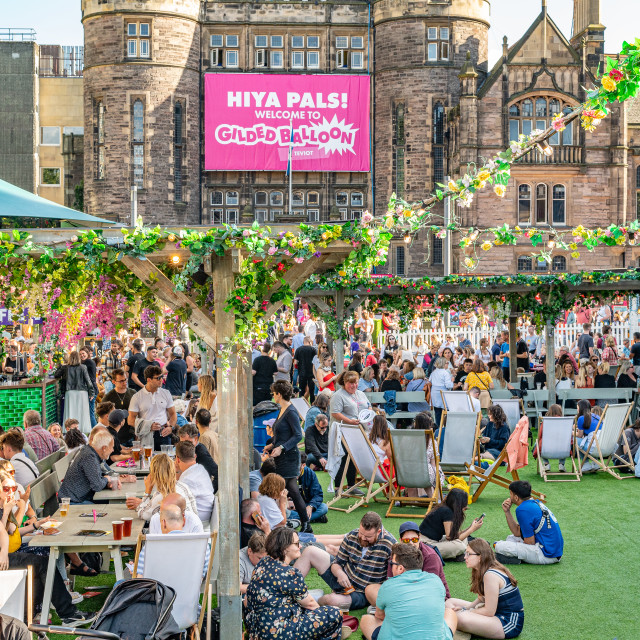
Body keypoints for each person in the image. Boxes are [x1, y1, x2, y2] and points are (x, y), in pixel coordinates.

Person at [245, 527, 343, 640]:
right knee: (334, 613)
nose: (300, 546)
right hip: (278, 633)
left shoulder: (263, 563)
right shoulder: (289, 572)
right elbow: (310, 604)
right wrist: (322, 617)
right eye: (296, 544)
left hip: (256, 630)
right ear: (285, 548)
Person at [294, 511, 396, 611]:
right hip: (342, 578)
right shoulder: (353, 535)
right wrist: (340, 573)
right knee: (310, 551)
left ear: (378, 532)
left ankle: (313, 599)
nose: (363, 538)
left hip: (362, 593)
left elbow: (393, 579)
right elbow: (337, 562)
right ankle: (287, 586)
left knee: (332, 600)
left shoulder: (390, 545)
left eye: (368, 537)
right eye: (361, 533)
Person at [360, 542, 457, 640]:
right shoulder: (436, 580)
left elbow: (380, 616)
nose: (391, 566)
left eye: (392, 563)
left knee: (366, 619)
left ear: (400, 568)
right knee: (449, 612)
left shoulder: (388, 586)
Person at [446, 538, 524, 639]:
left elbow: (489, 611)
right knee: (450, 603)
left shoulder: (490, 574)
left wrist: (467, 612)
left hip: (508, 622)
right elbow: (482, 598)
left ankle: (461, 627)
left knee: (460, 617)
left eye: (469, 554)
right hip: (496, 613)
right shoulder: (483, 569)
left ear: (480, 557)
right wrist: (466, 608)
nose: (465, 557)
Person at [262, 380, 311, 533]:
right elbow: (282, 434)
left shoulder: (290, 411)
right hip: (282, 456)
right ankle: (301, 522)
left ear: (279, 394)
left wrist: (282, 447)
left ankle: (304, 523)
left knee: (292, 490)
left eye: (274, 393)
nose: (272, 396)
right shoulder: (283, 409)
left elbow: (298, 436)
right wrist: (272, 445)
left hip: (289, 458)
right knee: (290, 489)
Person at [364, 521, 450, 608]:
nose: (411, 543)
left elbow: (430, 588)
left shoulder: (430, 556)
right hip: (403, 593)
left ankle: (390, 610)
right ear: (401, 540)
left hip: (429, 597)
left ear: (419, 538)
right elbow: (390, 581)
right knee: (371, 589)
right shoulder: (396, 554)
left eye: (414, 539)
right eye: (406, 540)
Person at [494, 480, 563, 565]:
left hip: (546, 555)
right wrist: (507, 511)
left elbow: (530, 542)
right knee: (510, 539)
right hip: (553, 551)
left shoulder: (523, 509)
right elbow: (517, 532)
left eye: (510, 493)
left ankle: (519, 559)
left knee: (498, 546)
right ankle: (520, 556)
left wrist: (520, 545)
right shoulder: (535, 502)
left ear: (516, 497)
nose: (509, 496)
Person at [58, 430, 133, 503]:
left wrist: (108, 482)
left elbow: (98, 479)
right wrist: (107, 479)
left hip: (80, 497)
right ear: (104, 448)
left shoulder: (91, 453)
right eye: (112, 447)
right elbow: (97, 486)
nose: (113, 450)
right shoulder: (89, 457)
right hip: (73, 501)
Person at [329, 371, 372, 497]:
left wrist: (368, 412)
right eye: (350, 383)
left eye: (356, 383)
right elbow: (335, 413)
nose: (353, 385)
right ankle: (338, 487)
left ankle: (352, 485)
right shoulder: (338, 395)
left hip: (358, 431)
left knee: (354, 458)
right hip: (343, 430)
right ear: (344, 383)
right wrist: (350, 421)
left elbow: (368, 405)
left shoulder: (361, 394)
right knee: (342, 457)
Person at [127, 452, 197, 521]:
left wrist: (147, 491)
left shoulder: (161, 495)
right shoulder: (184, 486)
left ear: (153, 474)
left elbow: (142, 514)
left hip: (177, 531)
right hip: (193, 529)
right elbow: (195, 512)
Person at [418, 488, 484, 560]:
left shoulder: (446, 508)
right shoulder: (447, 512)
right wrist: (472, 529)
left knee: (464, 539)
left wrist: (470, 527)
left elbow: (454, 535)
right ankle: (454, 554)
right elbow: (450, 538)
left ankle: (455, 554)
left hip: (434, 540)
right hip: (426, 544)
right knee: (459, 546)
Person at [128, 364, 177, 451]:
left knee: (165, 461)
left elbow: (173, 414)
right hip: (146, 434)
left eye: (162, 377)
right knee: (147, 461)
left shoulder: (166, 393)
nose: (161, 380)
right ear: (149, 380)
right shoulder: (137, 397)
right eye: (158, 378)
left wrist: (171, 427)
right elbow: (130, 420)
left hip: (163, 433)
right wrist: (148, 426)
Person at [55, 350, 94, 434]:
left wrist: (60, 366)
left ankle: (69, 429)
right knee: (82, 412)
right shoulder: (83, 367)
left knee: (70, 411)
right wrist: (91, 393)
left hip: (70, 392)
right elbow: (88, 381)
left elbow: (56, 375)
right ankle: (82, 430)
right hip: (82, 392)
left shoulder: (65, 367)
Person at [174, 441, 214, 521]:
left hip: (199, 521)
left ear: (177, 459)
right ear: (195, 456)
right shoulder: (201, 469)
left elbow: (176, 503)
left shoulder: (186, 480)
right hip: (206, 516)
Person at [289, 453, 328, 524]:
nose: (293, 469)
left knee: (324, 507)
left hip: (305, 505)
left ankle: (296, 521)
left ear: (303, 465)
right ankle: (311, 518)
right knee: (283, 512)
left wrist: (310, 506)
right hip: (290, 507)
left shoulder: (310, 473)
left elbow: (318, 494)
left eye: (296, 467)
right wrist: (287, 502)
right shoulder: (286, 473)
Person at [177, 424, 218, 491]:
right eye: (182, 443)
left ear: (196, 439)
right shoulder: (190, 450)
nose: (184, 446)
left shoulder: (201, 453)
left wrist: (210, 491)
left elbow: (217, 473)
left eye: (187, 442)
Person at [429, 358, 453, 428]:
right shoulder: (445, 373)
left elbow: (430, 381)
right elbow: (448, 385)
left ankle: (438, 428)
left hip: (434, 393)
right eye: (446, 363)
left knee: (437, 412)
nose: (447, 365)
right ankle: (447, 427)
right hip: (443, 394)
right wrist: (452, 382)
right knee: (446, 411)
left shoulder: (434, 372)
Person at [295, 337, 317, 402]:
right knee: (311, 391)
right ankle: (312, 404)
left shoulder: (298, 350)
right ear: (309, 341)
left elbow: (295, 362)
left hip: (302, 372)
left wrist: (297, 369)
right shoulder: (313, 349)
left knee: (301, 390)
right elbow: (315, 361)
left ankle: (301, 404)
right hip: (311, 373)